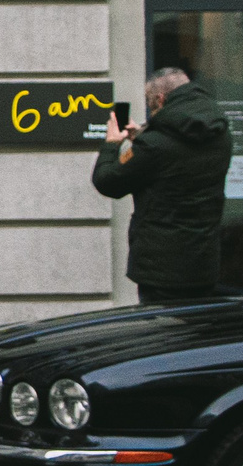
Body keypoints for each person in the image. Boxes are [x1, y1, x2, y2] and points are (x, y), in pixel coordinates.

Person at [94, 65, 233, 306]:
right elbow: (179, 150)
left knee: (165, 335)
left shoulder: (154, 146)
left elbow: (108, 182)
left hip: (161, 270)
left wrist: (112, 144)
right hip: (204, 264)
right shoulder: (219, 134)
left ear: (160, 99)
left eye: (149, 102)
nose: (150, 108)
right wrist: (143, 135)